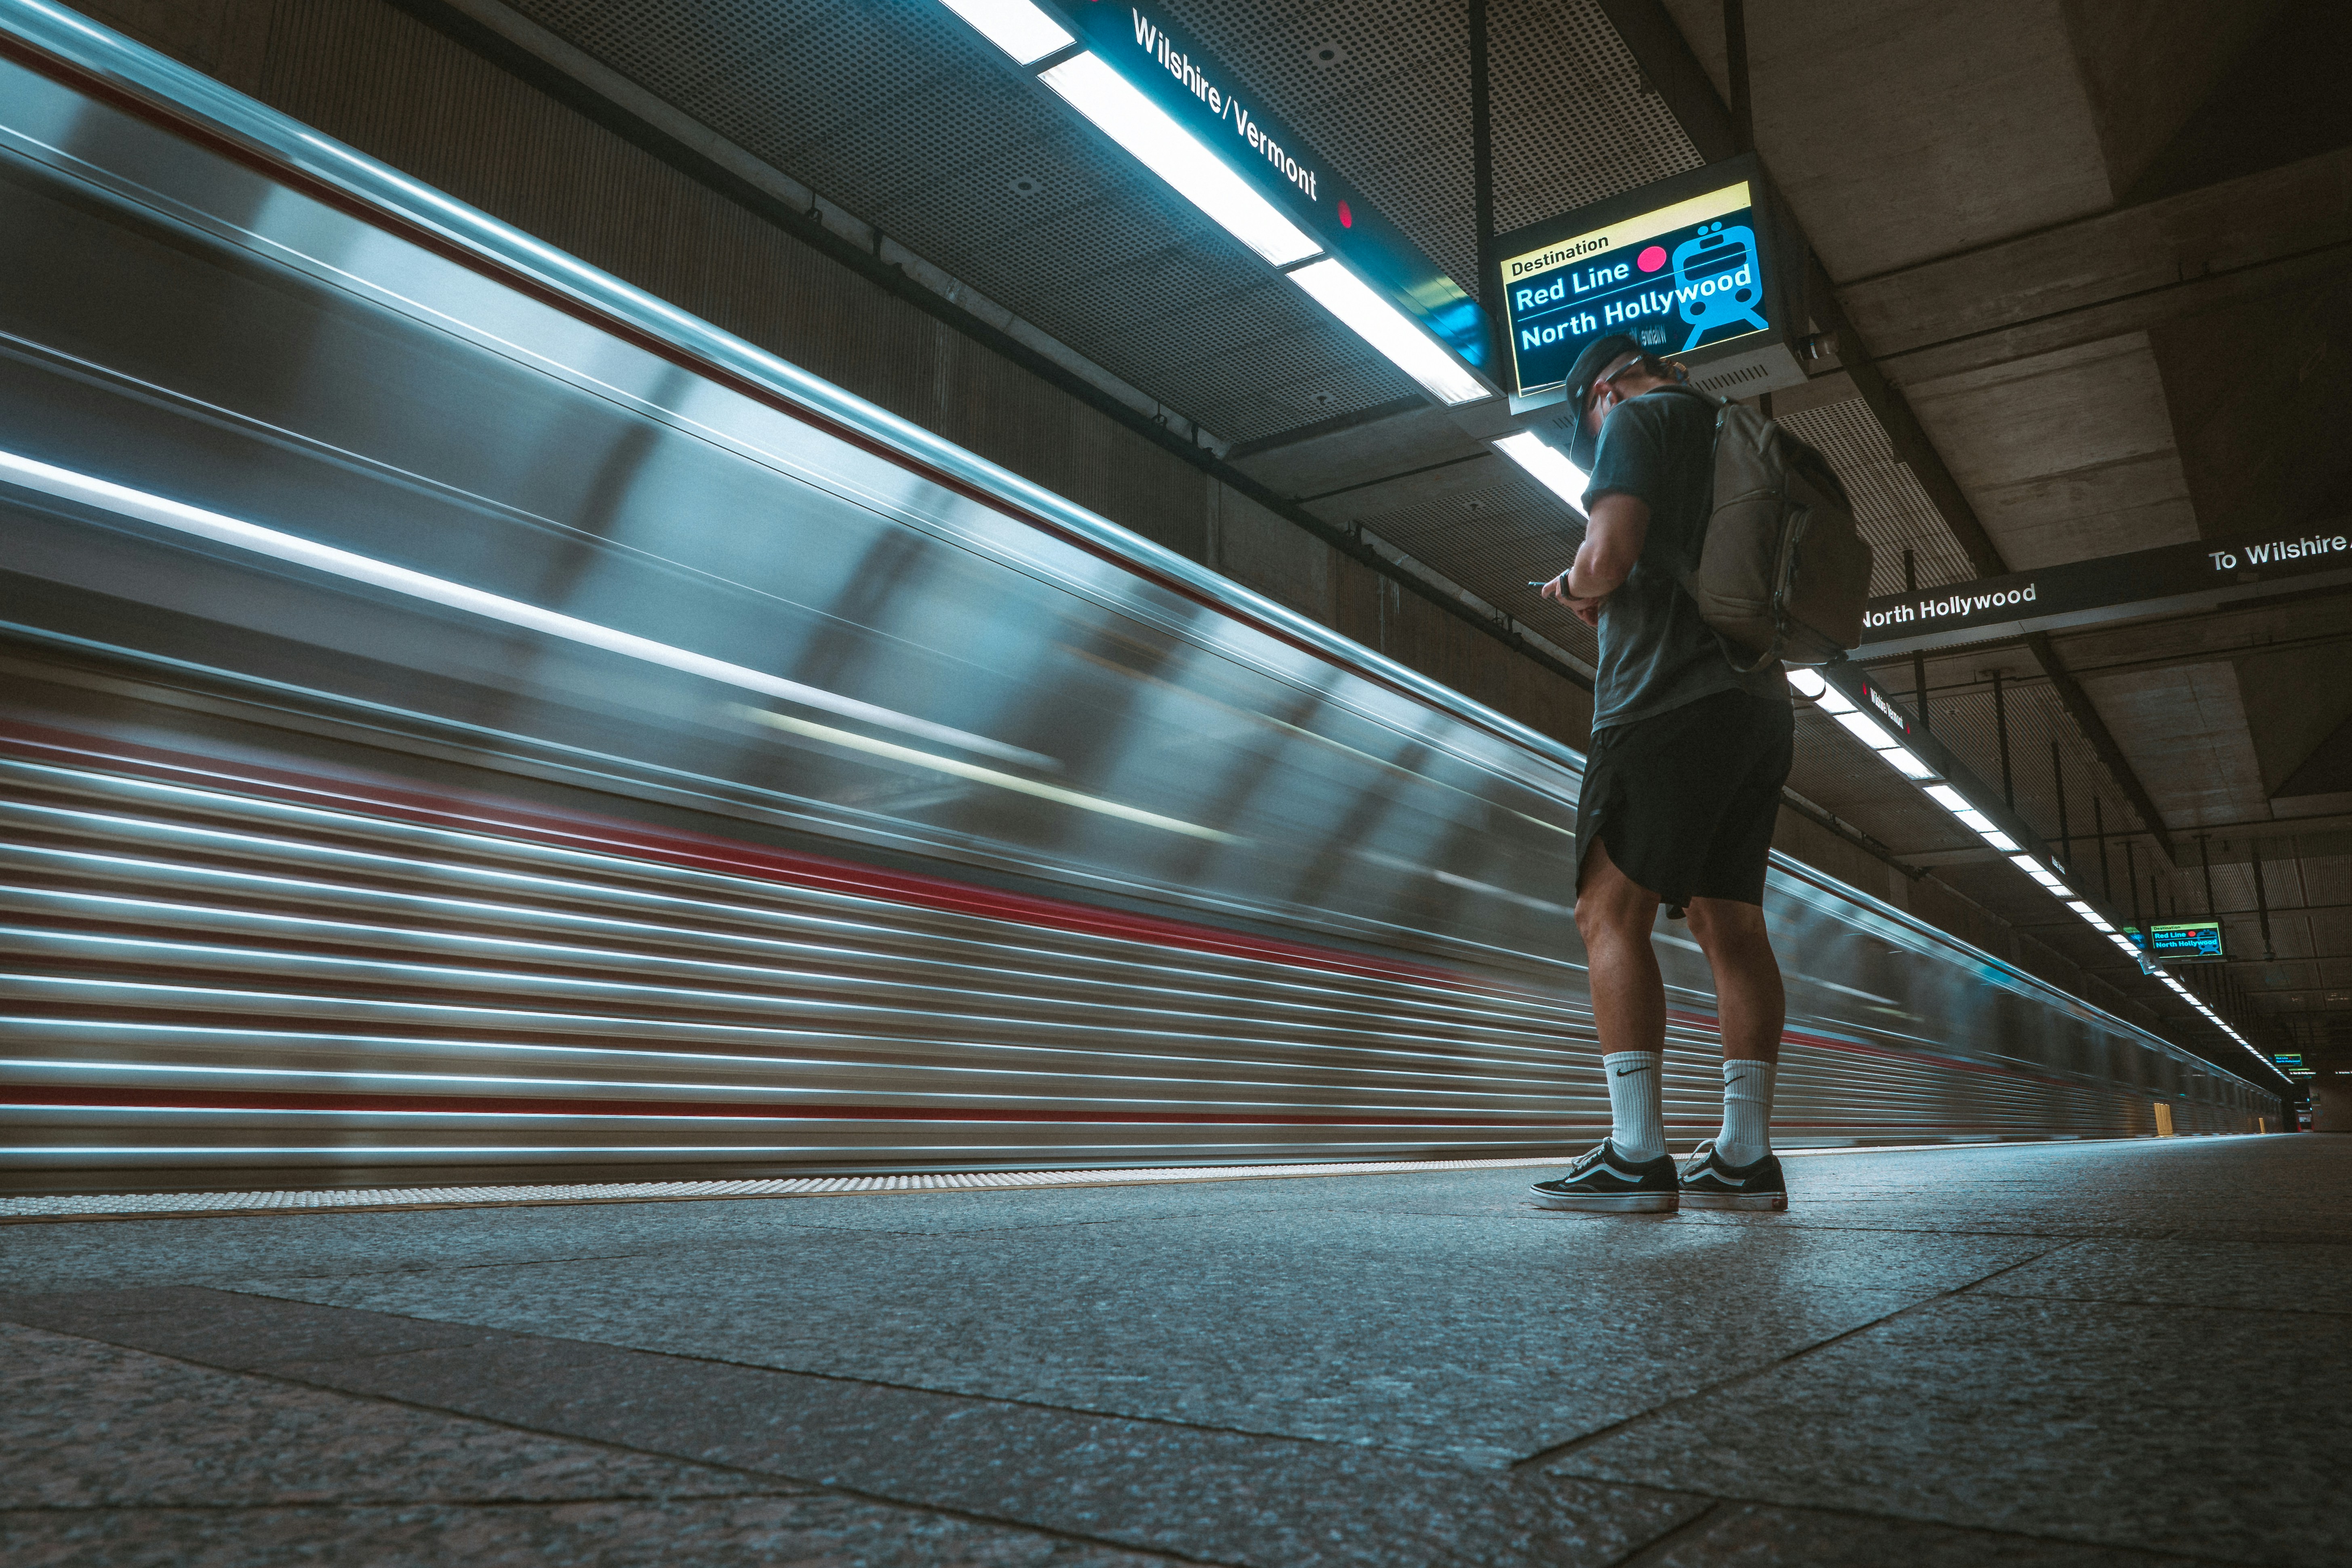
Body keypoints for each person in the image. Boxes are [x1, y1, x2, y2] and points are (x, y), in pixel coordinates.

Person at [1528, 333, 1794, 1213]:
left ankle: (1637, 1152)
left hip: (1663, 702)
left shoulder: (1636, 420)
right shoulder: (1726, 428)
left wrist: (1575, 584)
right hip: (1756, 706)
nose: (1594, 441)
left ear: (1602, 393)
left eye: (1586, 431)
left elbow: (1606, 557)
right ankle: (1743, 1156)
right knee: (1731, 925)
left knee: (1607, 910)